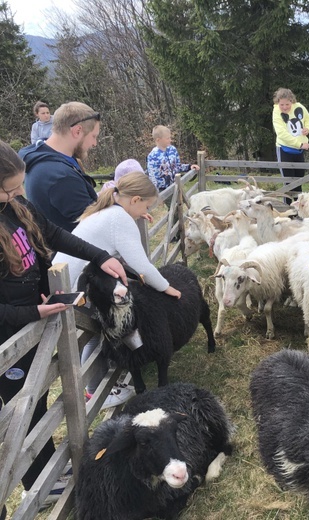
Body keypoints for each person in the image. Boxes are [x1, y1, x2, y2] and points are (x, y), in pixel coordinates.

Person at [0, 140, 127, 513]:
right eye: (9, 188)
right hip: (10, 336)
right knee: (24, 406)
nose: (19, 194)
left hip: (32, 323)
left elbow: (53, 234)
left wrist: (100, 256)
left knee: (36, 395)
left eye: (19, 186)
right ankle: (34, 483)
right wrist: (30, 314)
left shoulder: (15, 207)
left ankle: (46, 473)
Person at [53, 172, 180, 409]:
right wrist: (167, 287)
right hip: (76, 290)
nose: (147, 210)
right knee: (96, 332)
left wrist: (135, 214)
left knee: (99, 331)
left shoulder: (110, 211)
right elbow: (142, 266)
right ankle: (94, 392)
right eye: (147, 204)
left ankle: (103, 380)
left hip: (66, 283)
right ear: (135, 199)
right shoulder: (119, 220)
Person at [19, 102, 101, 232]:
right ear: (77, 131)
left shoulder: (42, 157)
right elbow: (96, 225)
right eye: (93, 136)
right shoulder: (60, 177)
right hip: (73, 251)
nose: (94, 143)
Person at [272, 88, 309, 196]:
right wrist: (299, 144)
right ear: (277, 102)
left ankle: (298, 209)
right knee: (288, 183)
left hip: (299, 151)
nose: (284, 107)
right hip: (284, 149)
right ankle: (288, 209)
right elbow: (281, 134)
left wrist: (308, 128)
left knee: (299, 181)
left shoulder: (299, 107)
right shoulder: (276, 112)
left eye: (287, 104)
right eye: (282, 105)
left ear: (292, 101)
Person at [146, 125, 199, 192]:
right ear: (158, 140)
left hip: (176, 186)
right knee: (173, 202)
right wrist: (157, 196)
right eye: (167, 138)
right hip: (163, 190)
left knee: (182, 202)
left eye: (170, 138)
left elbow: (177, 166)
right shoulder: (152, 156)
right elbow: (152, 177)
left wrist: (189, 166)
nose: (170, 140)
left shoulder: (172, 150)